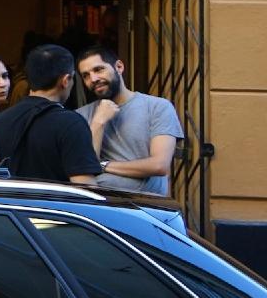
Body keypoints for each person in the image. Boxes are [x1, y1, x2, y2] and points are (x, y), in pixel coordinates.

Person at [77, 46, 186, 197]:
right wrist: (98, 122)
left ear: (119, 67)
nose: (93, 79)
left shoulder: (157, 107)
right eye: (86, 76)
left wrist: (103, 165)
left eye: (99, 69)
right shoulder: (80, 116)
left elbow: (159, 165)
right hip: (101, 209)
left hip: (146, 209)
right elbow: (84, 169)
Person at [0, 44, 102, 187]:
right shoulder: (71, 123)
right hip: (56, 208)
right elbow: (86, 188)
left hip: (14, 206)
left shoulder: (0, 121)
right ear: (65, 80)